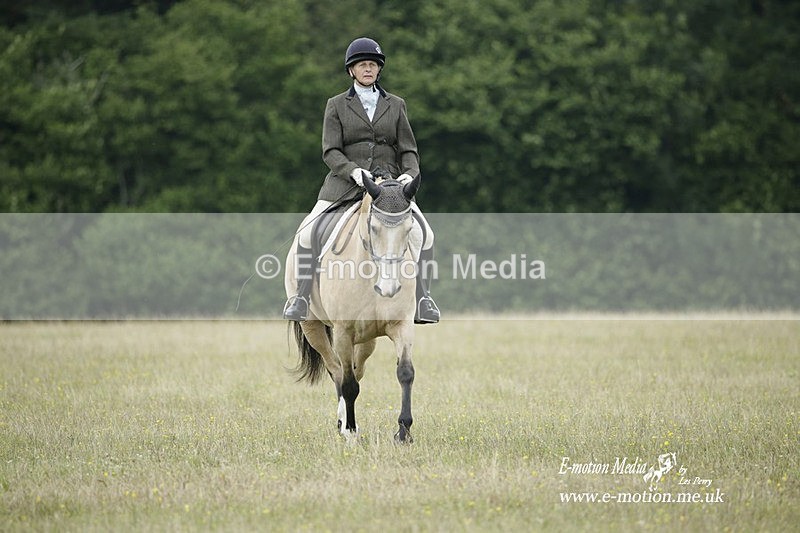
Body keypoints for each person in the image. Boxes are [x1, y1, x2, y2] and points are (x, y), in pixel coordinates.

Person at [283, 37, 439, 324]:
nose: (368, 69)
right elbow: (330, 151)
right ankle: (301, 298)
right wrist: (354, 172)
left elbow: (409, 150)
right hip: (344, 185)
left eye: (372, 65)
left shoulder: (396, 104)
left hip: (389, 189)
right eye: (361, 65)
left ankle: (423, 299)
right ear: (351, 70)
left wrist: (408, 175)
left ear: (379, 70)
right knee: (307, 233)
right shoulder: (336, 105)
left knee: (424, 234)